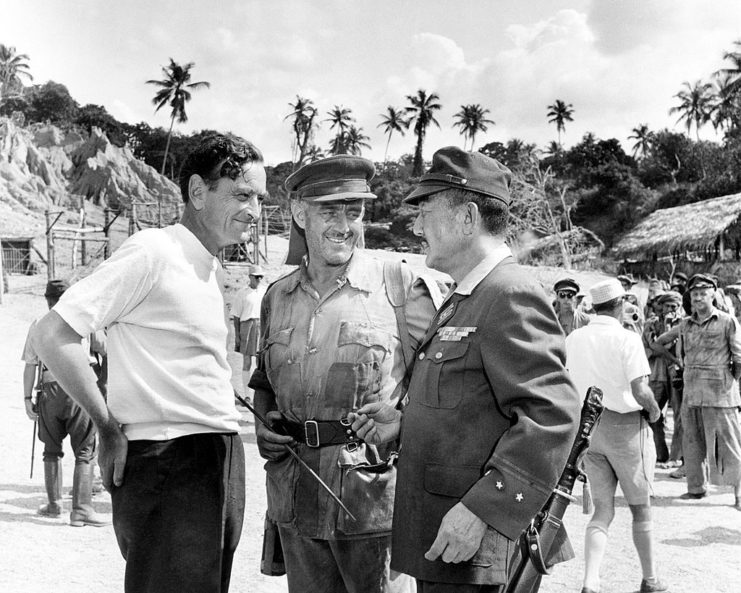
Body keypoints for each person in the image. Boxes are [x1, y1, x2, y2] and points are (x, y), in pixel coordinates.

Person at [32, 133, 266, 593]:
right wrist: (105, 426)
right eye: (242, 194)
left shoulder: (208, 267)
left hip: (215, 455)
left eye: (259, 198)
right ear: (198, 192)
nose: (255, 211)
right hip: (168, 459)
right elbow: (52, 334)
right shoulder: (155, 251)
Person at [350, 146, 580, 592]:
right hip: (448, 540)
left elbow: (551, 415)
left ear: (467, 218)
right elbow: (473, 403)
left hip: (474, 539)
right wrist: (405, 423)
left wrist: (482, 509)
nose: (416, 227)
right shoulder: (469, 295)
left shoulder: (508, 293)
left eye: (425, 213)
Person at [251, 155, 438, 593]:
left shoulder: (400, 287)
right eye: (329, 210)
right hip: (295, 494)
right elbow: (264, 383)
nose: (344, 224)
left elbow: (446, 384)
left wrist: (403, 421)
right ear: (299, 213)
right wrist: (264, 424)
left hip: (372, 500)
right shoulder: (277, 297)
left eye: (353, 212)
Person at [565, 278, 666, 593]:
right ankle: (650, 579)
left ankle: (591, 582)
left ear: (593, 305)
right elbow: (640, 390)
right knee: (640, 508)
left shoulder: (575, 338)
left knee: (602, 509)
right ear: (622, 303)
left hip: (589, 427)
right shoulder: (627, 338)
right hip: (625, 427)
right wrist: (654, 412)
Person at [22, 279, 110, 527]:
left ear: (47, 300)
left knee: (51, 449)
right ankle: (81, 510)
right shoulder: (87, 320)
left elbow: (30, 364)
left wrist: (27, 398)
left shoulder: (38, 324)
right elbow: (104, 350)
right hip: (81, 386)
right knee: (84, 451)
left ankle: (53, 505)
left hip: (48, 386)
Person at [655, 274, 741, 509]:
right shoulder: (684, 324)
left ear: (714, 294)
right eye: (695, 294)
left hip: (721, 393)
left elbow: (739, 356)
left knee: (730, 444)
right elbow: (659, 342)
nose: (699, 297)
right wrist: (677, 361)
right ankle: (696, 489)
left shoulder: (727, 321)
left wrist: (732, 379)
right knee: (692, 443)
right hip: (692, 392)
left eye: (704, 292)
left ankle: (739, 493)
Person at [643, 291, 685, 468]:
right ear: (661, 306)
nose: (670, 310)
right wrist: (671, 354)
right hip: (656, 374)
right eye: (667, 306)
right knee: (651, 413)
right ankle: (660, 453)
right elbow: (651, 347)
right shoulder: (651, 323)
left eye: (674, 306)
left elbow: (677, 348)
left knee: (679, 416)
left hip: (676, 376)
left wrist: (665, 347)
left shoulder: (684, 323)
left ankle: (677, 456)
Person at [231, 263, 266, 404]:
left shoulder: (264, 291)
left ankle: (258, 396)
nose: (259, 280)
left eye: (261, 277)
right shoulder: (242, 293)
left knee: (260, 362)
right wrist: (238, 335)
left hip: (261, 326)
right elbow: (236, 316)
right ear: (250, 277)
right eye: (256, 277)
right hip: (247, 325)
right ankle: (247, 395)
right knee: (247, 361)